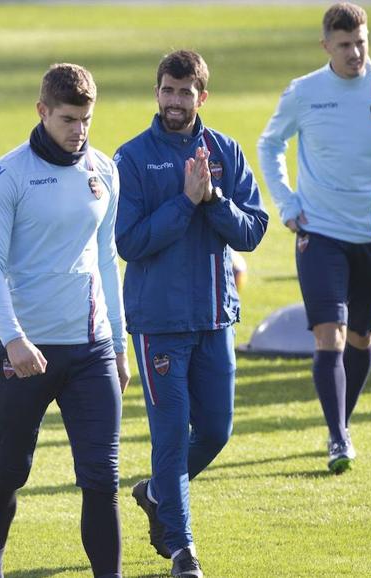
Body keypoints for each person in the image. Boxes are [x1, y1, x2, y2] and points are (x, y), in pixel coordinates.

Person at [258, 2, 371, 474]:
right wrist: (289, 205)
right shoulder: (304, 93)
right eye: (345, 45)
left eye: (361, 42)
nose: (355, 52)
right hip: (319, 234)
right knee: (329, 336)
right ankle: (338, 438)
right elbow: (270, 144)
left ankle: (342, 422)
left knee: (361, 336)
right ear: (326, 46)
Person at [114, 50, 268, 577]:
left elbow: (253, 230)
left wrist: (213, 199)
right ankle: (182, 551)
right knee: (172, 437)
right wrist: (184, 201)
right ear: (155, 92)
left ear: (202, 96)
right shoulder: (131, 158)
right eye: (167, 90)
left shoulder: (224, 150)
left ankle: (156, 493)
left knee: (217, 431)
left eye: (185, 92)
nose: (175, 101)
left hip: (215, 321)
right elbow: (129, 242)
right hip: (159, 325)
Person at [0, 63, 130, 578]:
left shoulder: (105, 171)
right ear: (43, 111)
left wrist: (120, 344)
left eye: (86, 119)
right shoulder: (9, 174)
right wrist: (13, 339)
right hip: (28, 352)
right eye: (68, 119)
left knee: (102, 478)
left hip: (92, 350)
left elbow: (107, 258)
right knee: (11, 469)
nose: (79, 130)